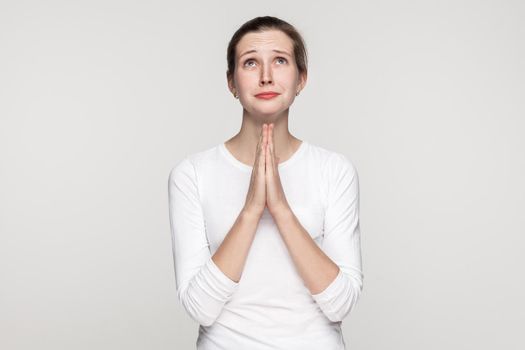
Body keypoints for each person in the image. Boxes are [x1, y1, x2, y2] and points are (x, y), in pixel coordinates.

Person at [168, 16, 363, 349]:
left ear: (301, 78)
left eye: (280, 61)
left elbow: (341, 303)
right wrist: (251, 211)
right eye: (250, 63)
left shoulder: (334, 170)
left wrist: (282, 211)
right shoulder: (192, 175)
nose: (266, 76)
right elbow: (201, 307)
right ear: (231, 82)